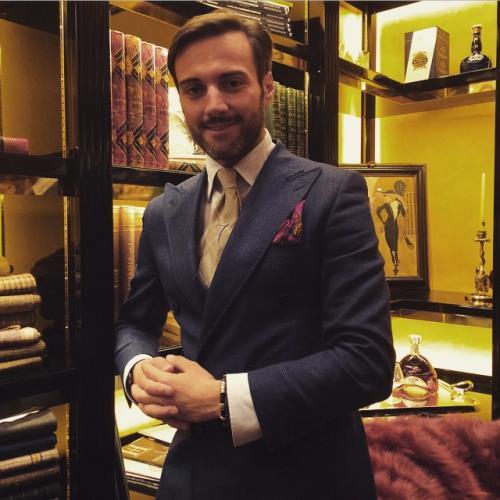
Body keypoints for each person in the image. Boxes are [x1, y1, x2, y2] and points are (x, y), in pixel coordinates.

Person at [114, 11, 395, 500]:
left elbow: (366, 361)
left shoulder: (333, 193)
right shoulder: (163, 212)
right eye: (194, 89)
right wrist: (139, 368)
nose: (214, 104)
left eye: (231, 82)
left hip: (308, 478)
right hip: (193, 478)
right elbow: (134, 323)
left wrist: (222, 399)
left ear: (267, 87)